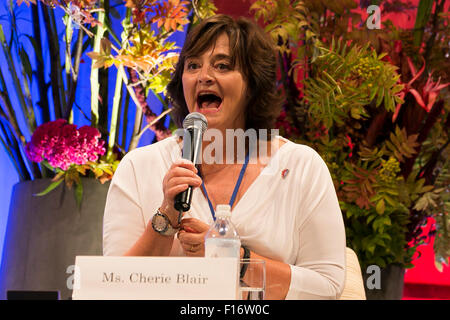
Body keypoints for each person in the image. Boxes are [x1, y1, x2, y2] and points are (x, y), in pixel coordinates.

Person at [103, 14, 346, 300]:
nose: (204, 76)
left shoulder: (300, 167)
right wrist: (166, 216)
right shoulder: (139, 167)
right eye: (193, 65)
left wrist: (236, 261)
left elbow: (327, 288)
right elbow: (111, 289)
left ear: (252, 84)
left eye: (222, 65)